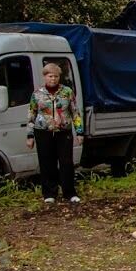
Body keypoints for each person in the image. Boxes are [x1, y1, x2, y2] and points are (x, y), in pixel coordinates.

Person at [26, 62, 83, 205]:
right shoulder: (37, 94)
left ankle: (69, 192)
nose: (53, 79)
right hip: (43, 132)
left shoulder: (67, 92)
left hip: (63, 132)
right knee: (46, 163)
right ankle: (49, 193)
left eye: (56, 76)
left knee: (66, 162)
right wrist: (30, 136)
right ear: (45, 77)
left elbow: (75, 112)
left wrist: (80, 132)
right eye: (50, 76)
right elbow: (31, 114)